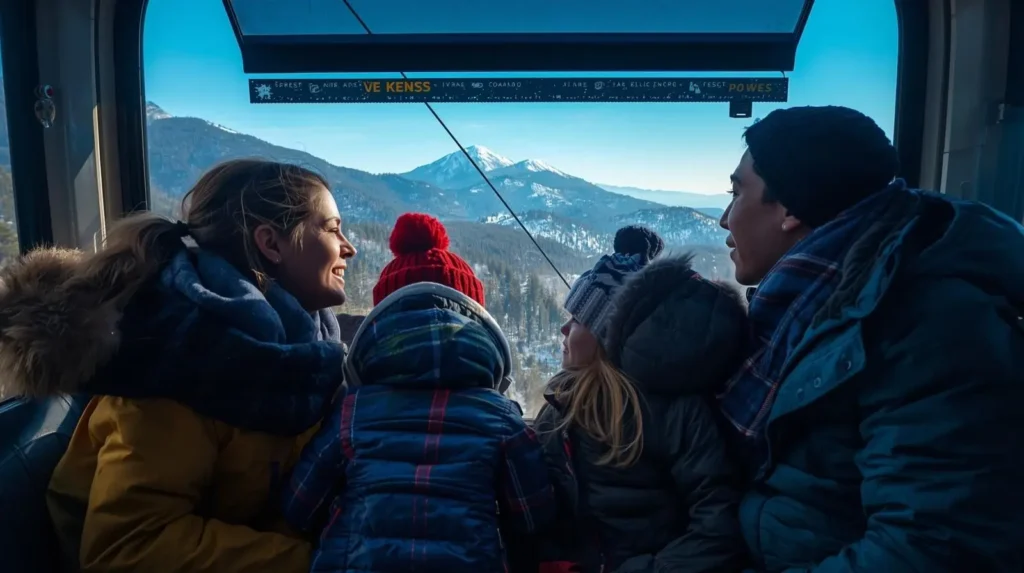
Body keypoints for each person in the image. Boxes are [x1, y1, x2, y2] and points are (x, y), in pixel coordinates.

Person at [0, 159, 356, 572]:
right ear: (271, 243)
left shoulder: (299, 355)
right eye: (331, 228)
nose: (348, 246)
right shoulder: (180, 364)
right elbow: (125, 547)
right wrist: (320, 561)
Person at [716, 105, 1024, 572]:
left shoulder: (929, 326)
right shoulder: (813, 304)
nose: (724, 218)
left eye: (736, 192)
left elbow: (933, 548)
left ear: (791, 211)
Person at [282, 212, 556, 573]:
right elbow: (535, 515)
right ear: (477, 323)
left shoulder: (352, 411)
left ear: (381, 322)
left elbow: (299, 507)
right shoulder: (500, 417)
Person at [532, 225, 748, 573]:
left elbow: (718, 521)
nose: (564, 330)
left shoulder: (672, 411)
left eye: (577, 319)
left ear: (605, 335)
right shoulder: (560, 402)